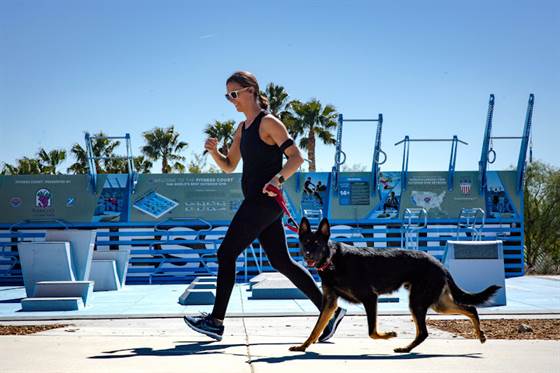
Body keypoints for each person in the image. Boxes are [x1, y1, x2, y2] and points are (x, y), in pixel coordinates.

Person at [183, 71, 346, 341]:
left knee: (226, 253)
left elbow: (296, 158)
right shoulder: (242, 128)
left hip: (264, 202)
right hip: (258, 203)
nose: (231, 99)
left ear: (250, 91)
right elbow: (229, 166)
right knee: (281, 261)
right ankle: (329, 311)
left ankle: (216, 321)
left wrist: (277, 179)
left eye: (234, 93)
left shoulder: (269, 123)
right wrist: (214, 152)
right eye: (227, 95)